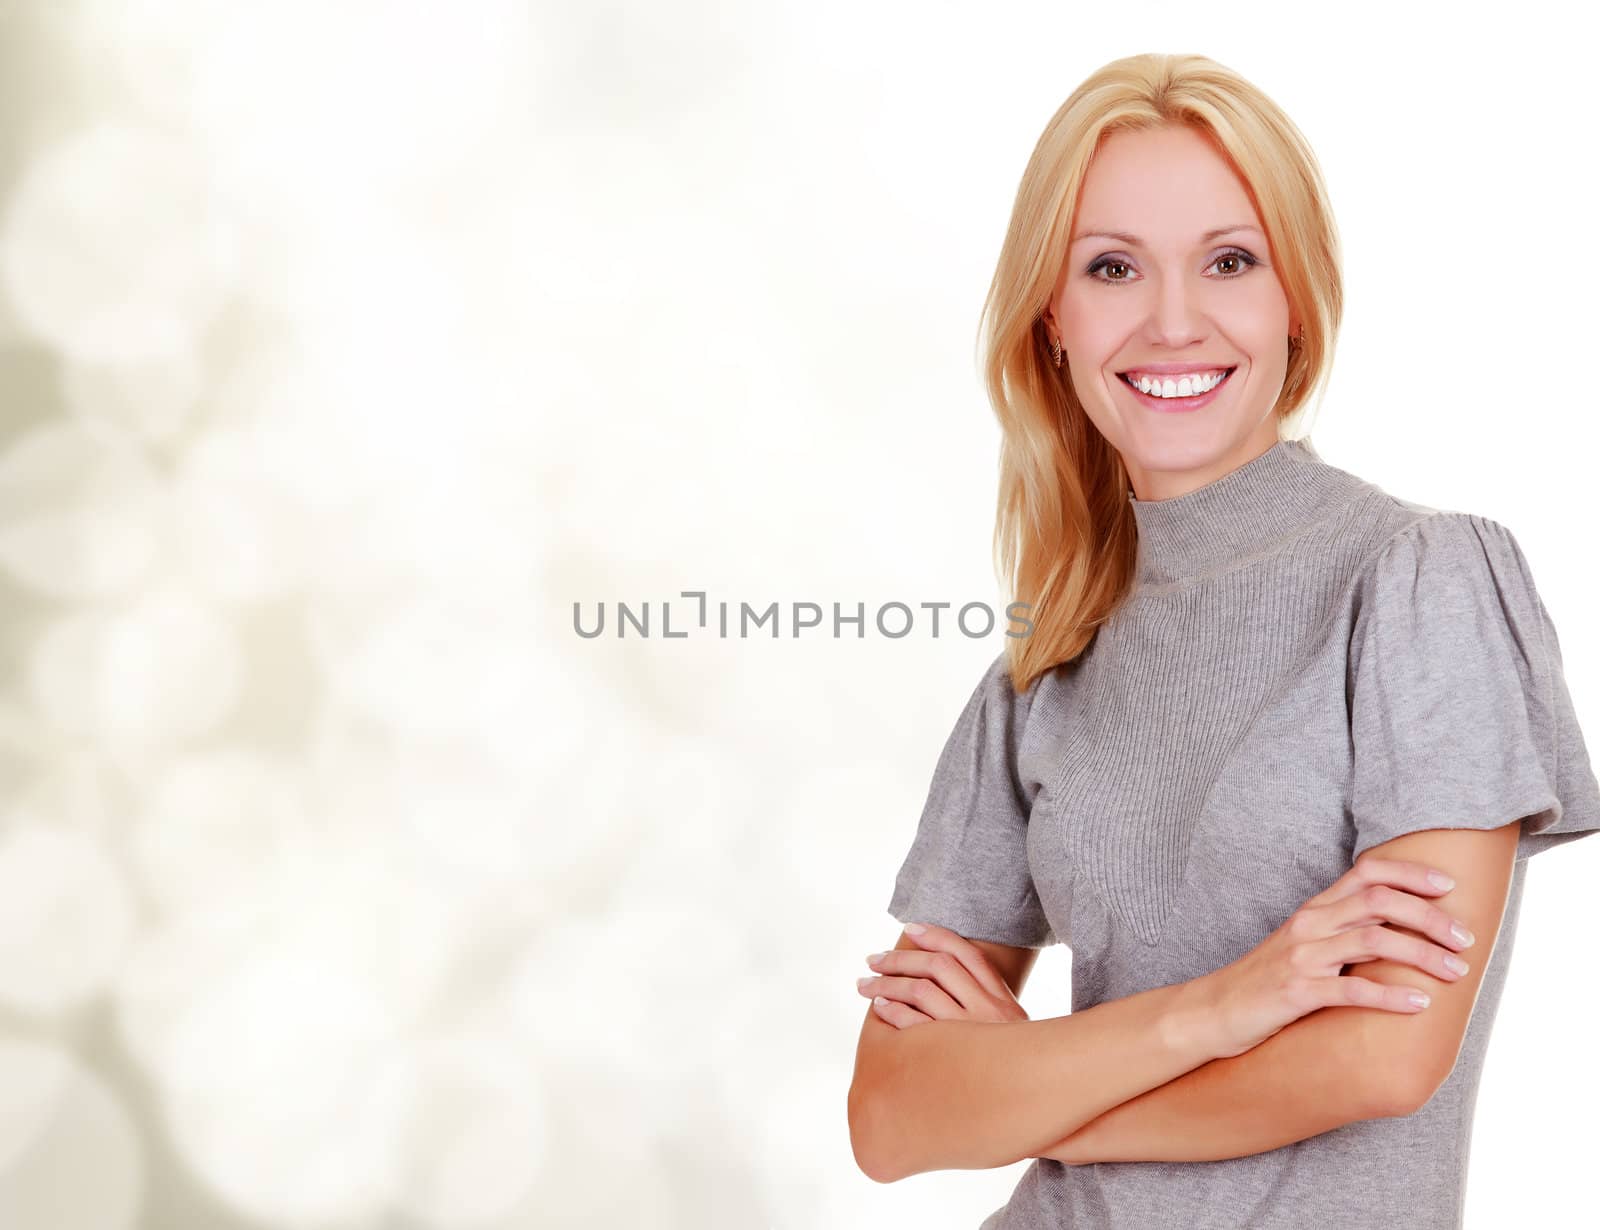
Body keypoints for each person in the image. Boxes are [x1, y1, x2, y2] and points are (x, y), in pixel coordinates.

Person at [845, 51, 1600, 1230]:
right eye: (1111, 268)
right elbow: (891, 1119)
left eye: (1229, 261)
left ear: (1294, 297)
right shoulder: (1043, 671)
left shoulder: (1420, 583)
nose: (1174, 321)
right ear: (1054, 317)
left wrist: (1029, 1090)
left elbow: (1381, 1062)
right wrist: (1219, 1008)